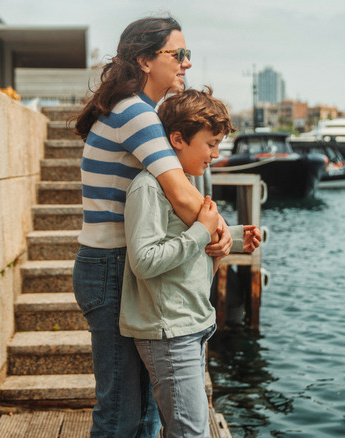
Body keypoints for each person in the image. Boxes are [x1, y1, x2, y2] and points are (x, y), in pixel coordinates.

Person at [72, 17, 236, 437]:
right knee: (122, 412)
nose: (186, 64)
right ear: (145, 60)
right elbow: (182, 196)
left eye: (188, 55)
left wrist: (216, 227)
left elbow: (183, 202)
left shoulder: (135, 110)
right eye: (177, 55)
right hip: (111, 266)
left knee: (142, 411)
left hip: (115, 265)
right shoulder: (135, 113)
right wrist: (217, 232)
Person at [120, 88, 261, 437]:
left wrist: (239, 235)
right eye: (211, 144)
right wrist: (202, 231)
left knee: (188, 429)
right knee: (190, 432)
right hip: (170, 329)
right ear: (178, 139)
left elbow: (191, 239)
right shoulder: (149, 187)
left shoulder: (184, 185)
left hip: (190, 325)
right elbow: (144, 260)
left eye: (219, 145)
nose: (215, 154)